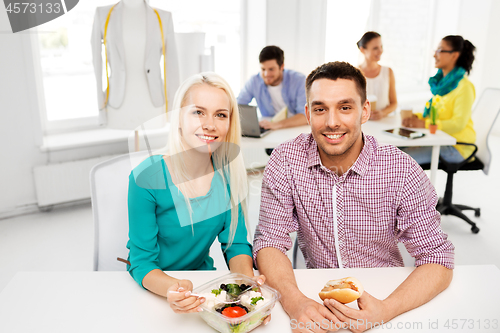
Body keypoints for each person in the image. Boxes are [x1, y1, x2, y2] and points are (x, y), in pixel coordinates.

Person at [253, 62, 454, 332]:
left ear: (365, 111)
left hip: (386, 295)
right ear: (307, 114)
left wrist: (387, 309)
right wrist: (294, 301)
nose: (332, 121)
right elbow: (269, 241)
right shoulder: (285, 160)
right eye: (320, 109)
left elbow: (437, 259)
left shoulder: (402, 170)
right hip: (315, 295)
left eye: (345, 107)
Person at [127, 72, 265, 314]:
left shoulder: (230, 178)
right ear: (179, 118)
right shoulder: (147, 177)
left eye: (220, 115)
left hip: (201, 286)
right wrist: (173, 288)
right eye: (198, 112)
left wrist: (248, 286)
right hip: (153, 289)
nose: (210, 124)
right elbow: (141, 262)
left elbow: (236, 244)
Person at [402, 35, 476, 164]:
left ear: (454, 56)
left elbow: (458, 123)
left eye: (440, 50)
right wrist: (417, 117)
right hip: (438, 139)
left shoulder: (465, 87)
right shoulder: (442, 85)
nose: (434, 55)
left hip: (456, 146)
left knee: (400, 160)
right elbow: (436, 115)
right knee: (392, 151)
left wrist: (424, 124)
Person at [237, 45, 308, 130]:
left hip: (294, 128)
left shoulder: (299, 80)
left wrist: (276, 124)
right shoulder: (254, 81)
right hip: (269, 129)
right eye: (263, 69)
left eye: (271, 69)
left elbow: (305, 116)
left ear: (281, 67)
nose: (266, 74)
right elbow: (237, 106)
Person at [357, 31, 397, 120]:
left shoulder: (388, 72)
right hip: (361, 124)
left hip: (383, 123)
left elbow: (394, 103)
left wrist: (382, 113)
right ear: (362, 50)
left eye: (381, 47)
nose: (380, 51)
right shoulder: (354, 73)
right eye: (375, 48)